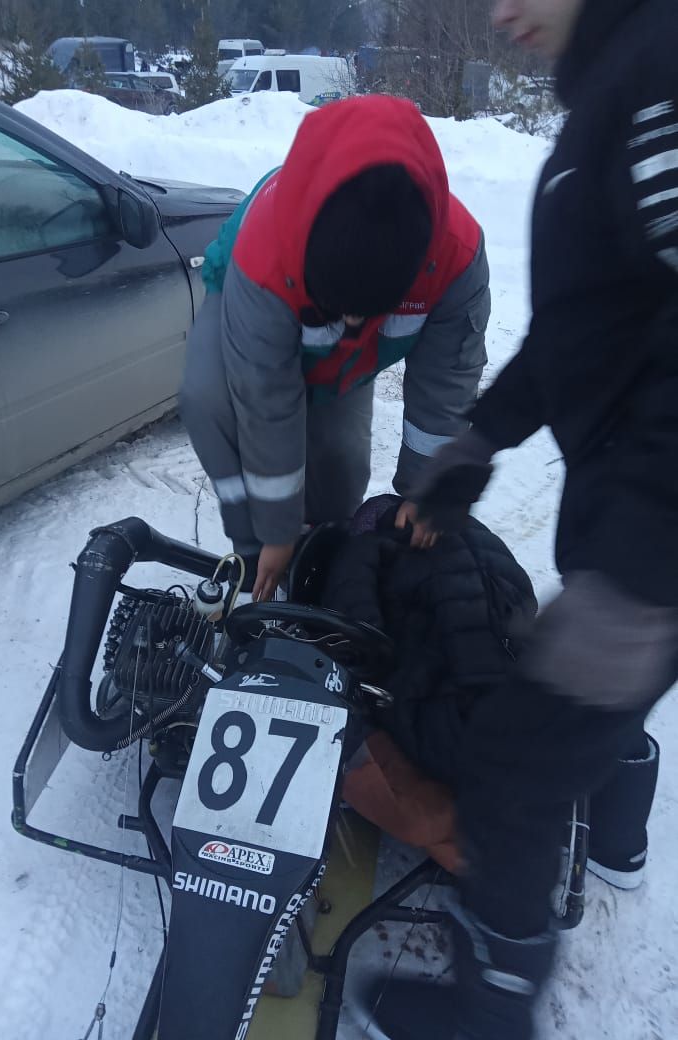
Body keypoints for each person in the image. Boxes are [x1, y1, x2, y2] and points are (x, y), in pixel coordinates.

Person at [374, 1, 678, 1038]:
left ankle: (490, 1011)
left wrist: (642, 559)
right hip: (638, 524)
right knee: (593, 708)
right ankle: (621, 843)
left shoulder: (659, 75)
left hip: (656, 534)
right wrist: (474, 447)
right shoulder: (610, 84)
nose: (500, 9)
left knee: (515, 759)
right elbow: (584, 328)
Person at [180, 94, 491, 602]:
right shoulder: (266, 255)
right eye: (340, 312)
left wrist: (425, 491)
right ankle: (254, 555)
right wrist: (275, 531)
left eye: (366, 314)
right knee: (210, 400)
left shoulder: (454, 260)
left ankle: (322, 556)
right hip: (258, 296)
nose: (350, 326)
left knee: (338, 456)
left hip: (339, 294)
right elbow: (266, 403)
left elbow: (445, 389)